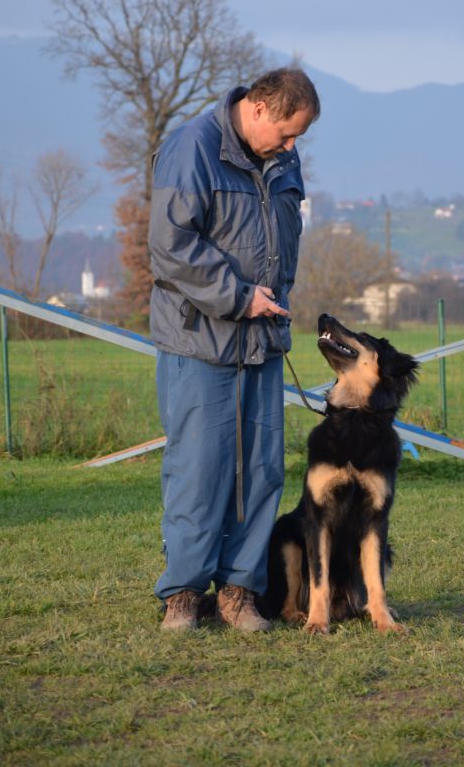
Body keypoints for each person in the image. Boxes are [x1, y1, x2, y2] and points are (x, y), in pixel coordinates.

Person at [148, 67, 320, 632]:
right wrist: (238, 297)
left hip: (263, 344)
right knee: (199, 471)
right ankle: (185, 595)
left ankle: (241, 592)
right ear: (261, 108)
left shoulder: (283, 162)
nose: (294, 148)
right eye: (290, 133)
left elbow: (280, 249)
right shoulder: (191, 148)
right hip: (200, 340)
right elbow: (170, 247)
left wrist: (267, 307)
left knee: (262, 471)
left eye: (299, 138)